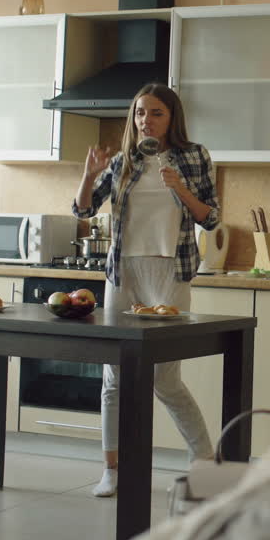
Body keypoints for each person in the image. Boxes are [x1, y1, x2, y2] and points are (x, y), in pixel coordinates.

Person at [73, 83, 221, 497]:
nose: (146, 120)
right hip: (123, 272)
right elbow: (84, 209)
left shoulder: (194, 156)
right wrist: (88, 175)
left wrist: (180, 188)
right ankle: (112, 471)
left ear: (172, 117)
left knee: (164, 378)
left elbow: (210, 217)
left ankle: (206, 466)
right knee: (114, 376)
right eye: (140, 113)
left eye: (155, 113)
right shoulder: (123, 161)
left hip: (170, 271)